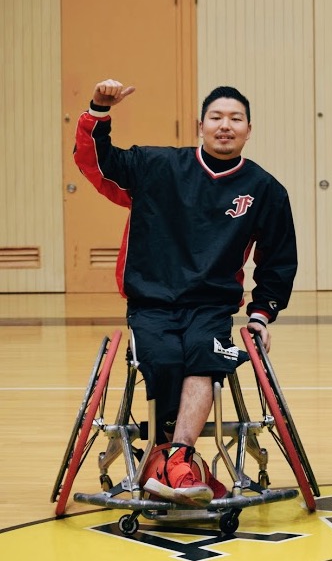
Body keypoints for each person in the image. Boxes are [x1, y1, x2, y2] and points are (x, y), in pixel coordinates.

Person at [73, 79, 298, 506]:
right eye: (216, 117)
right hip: (152, 303)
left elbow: (278, 261)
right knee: (164, 359)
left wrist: (261, 315)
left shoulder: (265, 190)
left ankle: (176, 457)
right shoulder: (157, 166)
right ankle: (173, 460)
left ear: (250, 129)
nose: (225, 126)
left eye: (235, 119)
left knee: (205, 354)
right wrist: (98, 111)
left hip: (212, 308)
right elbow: (98, 164)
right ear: (200, 125)